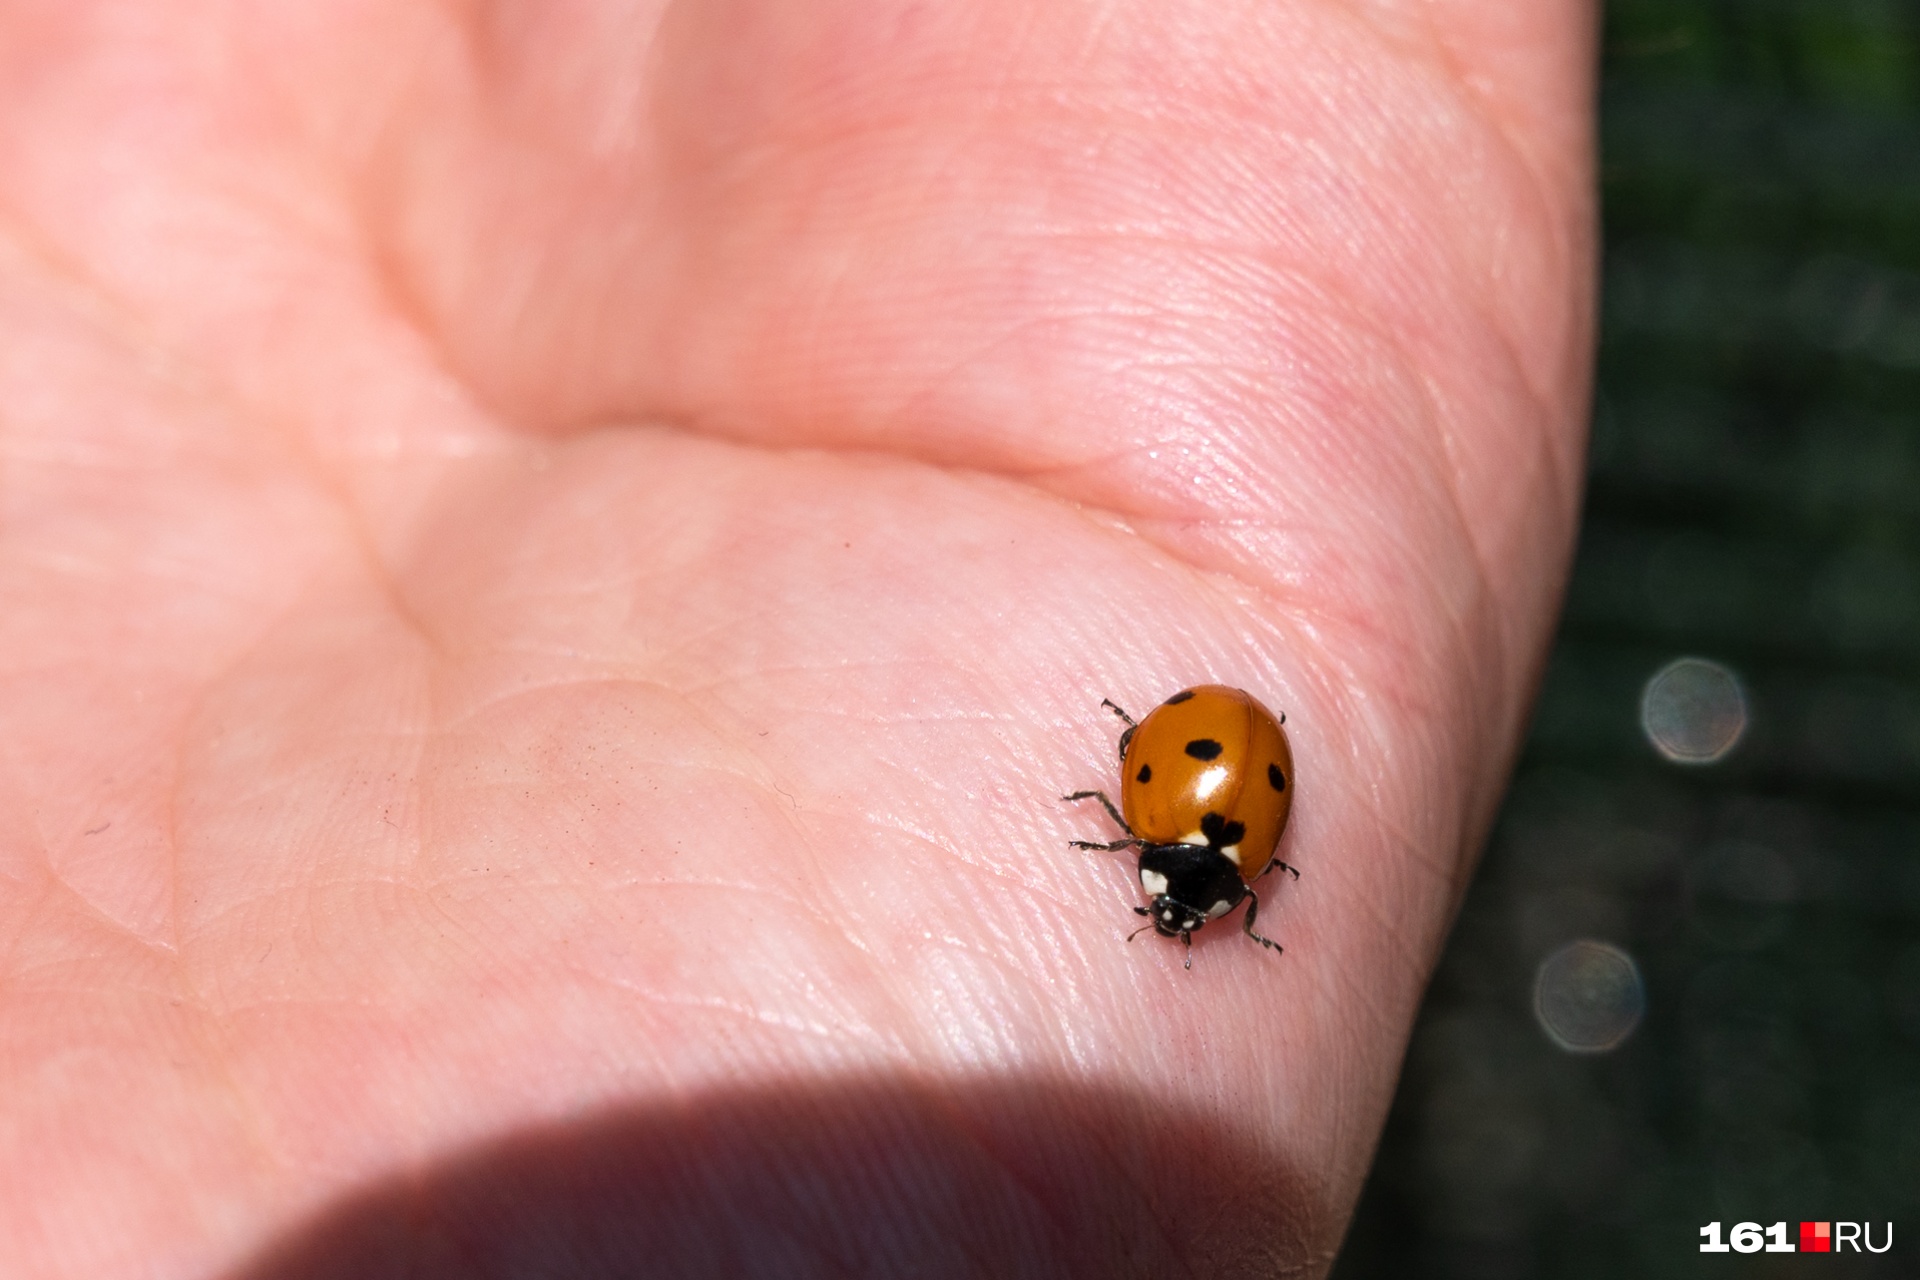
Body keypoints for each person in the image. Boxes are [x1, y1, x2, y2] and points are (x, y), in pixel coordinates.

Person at [0, 0, 1593, 1274]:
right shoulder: (1207, 831)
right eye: (1180, 890)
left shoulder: (1191, 827)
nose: (1170, 892)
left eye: (1182, 886)